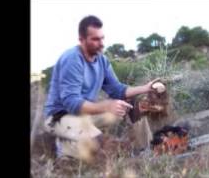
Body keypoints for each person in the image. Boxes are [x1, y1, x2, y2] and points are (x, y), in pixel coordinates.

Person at [43, 15, 158, 160]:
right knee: (98, 147)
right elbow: (71, 103)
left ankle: (145, 152)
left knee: (132, 103)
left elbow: (118, 90)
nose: (101, 43)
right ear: (81, 40)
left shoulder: (102, 61)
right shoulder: (72, 59)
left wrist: (146, 88)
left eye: (102, 38)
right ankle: (65, 147)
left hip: (85, 116)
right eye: (95, 39)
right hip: (59, 117)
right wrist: (107, 106)